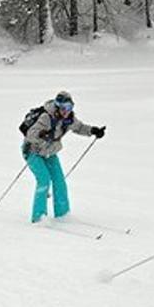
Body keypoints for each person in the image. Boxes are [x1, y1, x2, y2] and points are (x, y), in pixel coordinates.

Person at [21, 90, 106, 223]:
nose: (67, 111)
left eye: (70, 107)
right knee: (44, 180)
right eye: (64, 108)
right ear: (58, 106)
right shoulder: (46, 117)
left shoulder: (69, 119)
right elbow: (31, 134)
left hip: (49, 151)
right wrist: (43, 134)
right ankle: (38, 217)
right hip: (33, 151)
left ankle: (63, 215)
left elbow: (79, 127)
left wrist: (93, 130)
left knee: (59, 181)